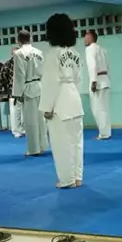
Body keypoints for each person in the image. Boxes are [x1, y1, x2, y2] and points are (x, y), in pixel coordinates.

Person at [39, 14, 84, 189]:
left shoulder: (52, 55)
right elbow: (79, 79)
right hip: (74, 97)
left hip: (59, 101)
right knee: (76, 142)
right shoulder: (75, 53)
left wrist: (47, 106)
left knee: (61, 143)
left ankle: (67, 179)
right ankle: (77, 177)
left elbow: (50, 82)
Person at [13, 30, 48, 156]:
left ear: (18, 40)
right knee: (41, 120)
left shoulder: (19, 53)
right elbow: (44, 71)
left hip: (28, 88)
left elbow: (19, 74)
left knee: (30, 121)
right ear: (30, 39)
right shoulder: (39, 52)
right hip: (40, 86)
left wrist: (17, 94)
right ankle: (43, 146)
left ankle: (33, 149)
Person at [84, 30, 111, 140]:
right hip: (105, 80)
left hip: (97, 82)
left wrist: (93, 81)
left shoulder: (90, 49)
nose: (85, 40)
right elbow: (108, 66)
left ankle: (103, 134)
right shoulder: (102, 49)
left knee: (97, 109)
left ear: (91, 38)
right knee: (105, 109)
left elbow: (92, 65)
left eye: (86, 37)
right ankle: (106, 132)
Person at [0, 47, 25, 138]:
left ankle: (23, 129)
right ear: (12, 54)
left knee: (24, 113)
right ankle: (16, 131)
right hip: (13, 92)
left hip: (24, 91)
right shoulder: (7, 65)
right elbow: (1, 79)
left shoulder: (24, 63)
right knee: (14, 113)